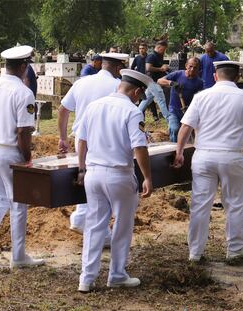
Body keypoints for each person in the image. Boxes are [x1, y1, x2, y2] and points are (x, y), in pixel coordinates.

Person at [76, 69, 153, 293]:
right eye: (140, 95)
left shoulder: (94, 106)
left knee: (94, 225)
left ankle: (86, 278)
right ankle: (117, 274)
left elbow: (81, 141)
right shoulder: (132, 111)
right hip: (119, 174)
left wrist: (82, 168)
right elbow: (139, 147)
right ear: (137, 91)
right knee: (122, 226)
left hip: (93, 172)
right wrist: (147, 176)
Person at [0, 45, 45, 269]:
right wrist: (27, 157)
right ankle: (19, 256)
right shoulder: (24, 93)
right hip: (9, 152)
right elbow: (24, 131)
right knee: (18, 203)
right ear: (23, 66)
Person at [173, 61, 243, 262]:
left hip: (204, 155)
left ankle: (195, 253)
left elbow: (185, 128)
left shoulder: (201, 97)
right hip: (232, 155)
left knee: (200, 204)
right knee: (235, 204)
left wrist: (179, 152)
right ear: (237, 77)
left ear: (215, 76)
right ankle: (235, 249)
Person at [58, 53, 129, 246]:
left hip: (80, 138)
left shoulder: (82, 83)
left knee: (88, 178)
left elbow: (63, 109)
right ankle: (91, 224)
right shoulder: (117, 86)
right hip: (104, 140)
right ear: (117, 68)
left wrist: (62, 137)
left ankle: (83, 218)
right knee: (99, 183)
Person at [158, 57, 203, 142]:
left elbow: (200, 99)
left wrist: (191, 107)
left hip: (188, 112)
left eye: (195, 67)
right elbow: (159, 81)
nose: (192, 69)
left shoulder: (199, 83)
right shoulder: (178, 74)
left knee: (188, 133)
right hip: (173, 109)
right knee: (174, 129)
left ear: (198, 69)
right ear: (186, 66)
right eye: (190, 66)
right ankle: (173, 149)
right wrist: (171, 83)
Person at [138, 40, 170, 120]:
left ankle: (136, 114)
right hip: (153, 82)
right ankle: (170, 120)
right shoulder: (151, 56)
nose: (164, 51)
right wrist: (161, 69)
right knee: (161, 100)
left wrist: (164, 68)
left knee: (145, 101)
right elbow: (148, 68)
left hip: (154, 82)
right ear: (159, 47)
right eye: (163, 49)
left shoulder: (159, 56)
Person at [131, 43, 158, 121]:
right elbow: (132, 68)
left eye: (143, 48)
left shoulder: (150, 57)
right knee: (140, 97)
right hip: (140, 80)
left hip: (148, 80)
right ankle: (141, 116)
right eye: (140, 48)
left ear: (146, 49)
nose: (141, 50)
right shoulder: (137, 58)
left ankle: (155, 115)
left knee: (150, 98)